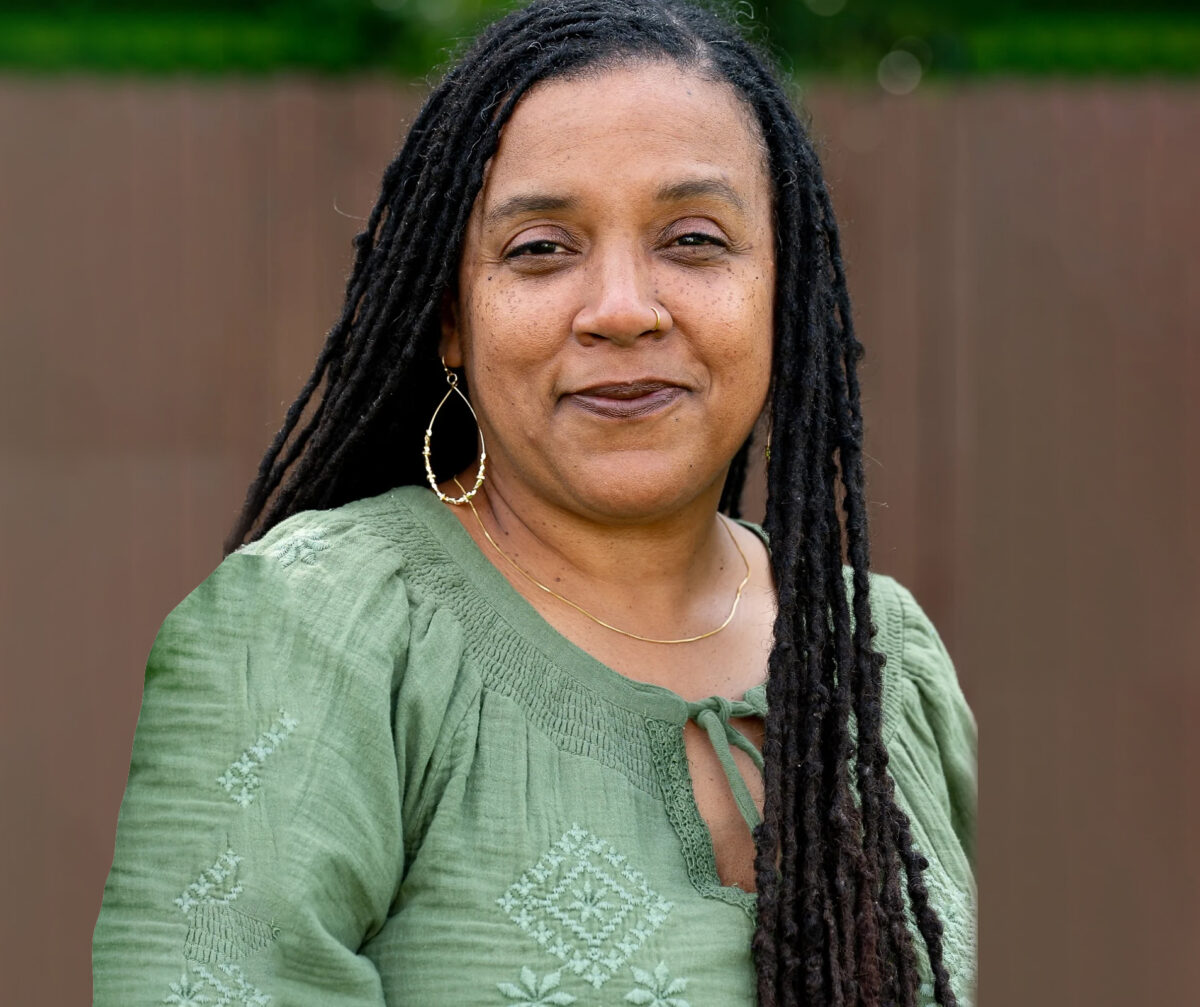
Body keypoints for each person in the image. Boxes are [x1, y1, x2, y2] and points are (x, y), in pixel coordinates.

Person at [93, 1, 976, 1005]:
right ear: (451, 318)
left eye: (691, 239)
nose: (621, 309)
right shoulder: (325, 629)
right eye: (540, 249)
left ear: (784, 289)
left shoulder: (885, 659)